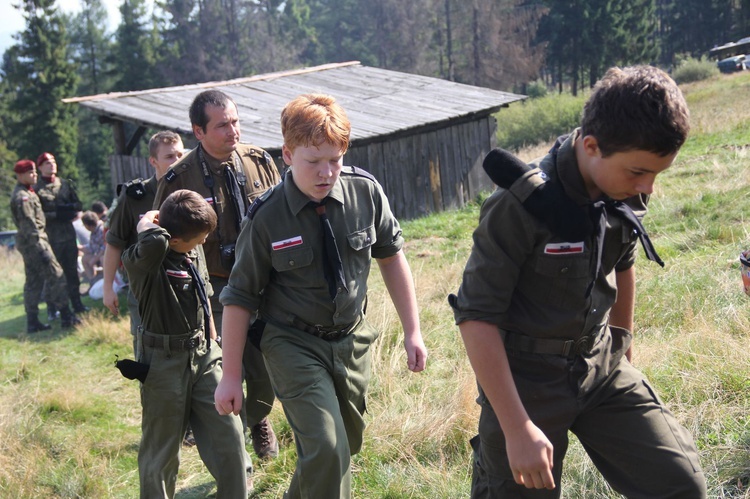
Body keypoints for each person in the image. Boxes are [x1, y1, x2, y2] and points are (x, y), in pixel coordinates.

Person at [449, 65, 707, 498]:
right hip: (525, 383)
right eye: (638, 172)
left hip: (600, 366)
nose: (648, 187)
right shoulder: (519, 207)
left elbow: (623, 262)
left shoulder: (623, 188)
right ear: (591, 146)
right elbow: (476, 317)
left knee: (681, 485)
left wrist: (622, 344)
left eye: (657, 174)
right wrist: (516, 428)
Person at [214, 93, 428, 498]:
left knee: (343, 446)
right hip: (291, 343)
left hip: (351, 340)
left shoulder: (365, 193)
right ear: (288, 155)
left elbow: (392, 258)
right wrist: (230, 375)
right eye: (313, 161)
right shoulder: (267, 217)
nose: (326, 172)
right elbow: (239, 297)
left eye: (335, 159)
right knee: (327, 447)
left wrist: (412, 331)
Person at [154, 89, 282, 461]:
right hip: (217, 286)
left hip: (266, 280)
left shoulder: (259, 161)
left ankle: (258, 415)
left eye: (236, 121)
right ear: (199, 131)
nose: (233, 131)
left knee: (265, 364)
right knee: (229, 365)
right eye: (222, 125)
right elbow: (166, 239)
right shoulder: (180, 177)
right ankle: (235, 444)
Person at [122, 189, 248, 498]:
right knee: (162, 450)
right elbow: (152, 244)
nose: (204, 242)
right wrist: (146, 226)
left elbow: (204, 291)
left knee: (229, 435)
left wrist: (213, 337)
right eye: (199, 238)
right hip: (163, 362)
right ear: (173, 240)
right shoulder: (146, 263)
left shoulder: (192, 249)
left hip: (204, 353)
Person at [10, 159, 80, 332]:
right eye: (30, 172)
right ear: (20, 175)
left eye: (34, 171)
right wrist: (42, 249)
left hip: (31, 244)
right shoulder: (23, 197)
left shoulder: (28, 192)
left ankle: (32, 321)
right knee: (57, 276)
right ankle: (66, 316)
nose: (34, 175)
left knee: (33, 282)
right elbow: (30, 226)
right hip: (36, 243)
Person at [35, 152, 89, 315]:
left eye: (53, 162)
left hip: (68, 234)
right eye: (47, 163)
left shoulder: (65, 184)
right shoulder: (37, 188)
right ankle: (53, 308)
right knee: (54, 275)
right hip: (51, 237)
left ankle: (77, 304)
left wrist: (71, 209)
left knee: (72, 272)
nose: (52, 165)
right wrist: (56, 214)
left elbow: (78, 204)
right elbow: (38, 214)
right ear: (40, 167)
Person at [80, 210, 105, 283]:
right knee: (85, 258)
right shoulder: (93, 232)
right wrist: (81, 248)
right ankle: (93, 281)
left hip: (104, 256)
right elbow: (92, 247)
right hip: (97, 254)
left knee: (102, 258)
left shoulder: (101, 229)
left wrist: (95, 259)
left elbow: (104, 247)